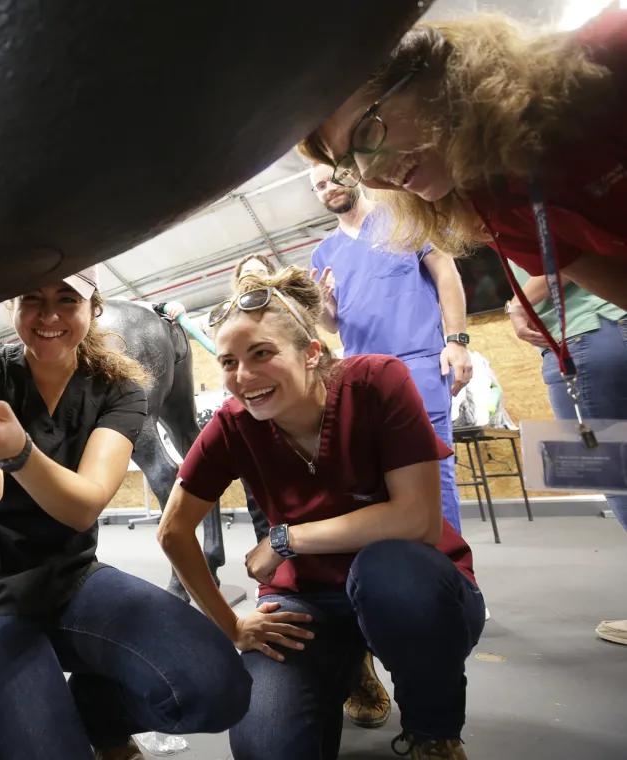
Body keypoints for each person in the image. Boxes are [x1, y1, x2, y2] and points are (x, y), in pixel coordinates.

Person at [0, 266, 252, 760]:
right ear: (13, 309)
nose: (49, 314)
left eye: (67, 300)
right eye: (32, 298)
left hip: (72, 581)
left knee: (218, 686)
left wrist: (19, 451)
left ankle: (99, 713)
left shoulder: (119, 390)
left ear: (94, 310)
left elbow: (84, 505)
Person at [157, 267, 484, 760]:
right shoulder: (232, 425)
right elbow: (174, 530)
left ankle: (433, 733)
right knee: (266, 744)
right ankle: (350, 666)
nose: (243, 377)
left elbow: (416, 520)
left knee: (389, 570)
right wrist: (232, 626)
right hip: (306, 602)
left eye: (261, 354)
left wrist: (285, 539)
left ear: (311, 353)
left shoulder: (377, 382)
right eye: (228, 362)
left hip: (415, 591)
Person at [297, 8, 627, 311]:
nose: (369, 172)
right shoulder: (488, 212)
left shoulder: (610, 55)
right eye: (350, 164)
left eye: (367, 131)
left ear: (433, 76)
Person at [307, 162, 471, 535]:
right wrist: (323, 305)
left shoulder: (404, 217)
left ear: (352, 174)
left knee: (433, 472)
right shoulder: (323, 254)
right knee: (377, 479)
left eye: (333, 178)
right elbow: (333, 324)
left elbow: (446, 271)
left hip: (420, 366)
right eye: (318, 187)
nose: (328, 188)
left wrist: (457, 340)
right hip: (362, 380)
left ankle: (453, 575)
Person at [506, 262, 627, 646]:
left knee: (617, 478)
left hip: (585, 337)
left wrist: (517, 305)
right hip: (612, 326)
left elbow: (570, 255)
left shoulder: (520, 205)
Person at [154, 251, 278, 544]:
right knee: (257, 494)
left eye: (259, 272)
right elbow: (204, 334)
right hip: (250, 413)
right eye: (246, 274)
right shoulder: (227, 318)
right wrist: (176, 311)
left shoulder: (286, 311)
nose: (252, 278)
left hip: (284, 412)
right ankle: (271, 566)